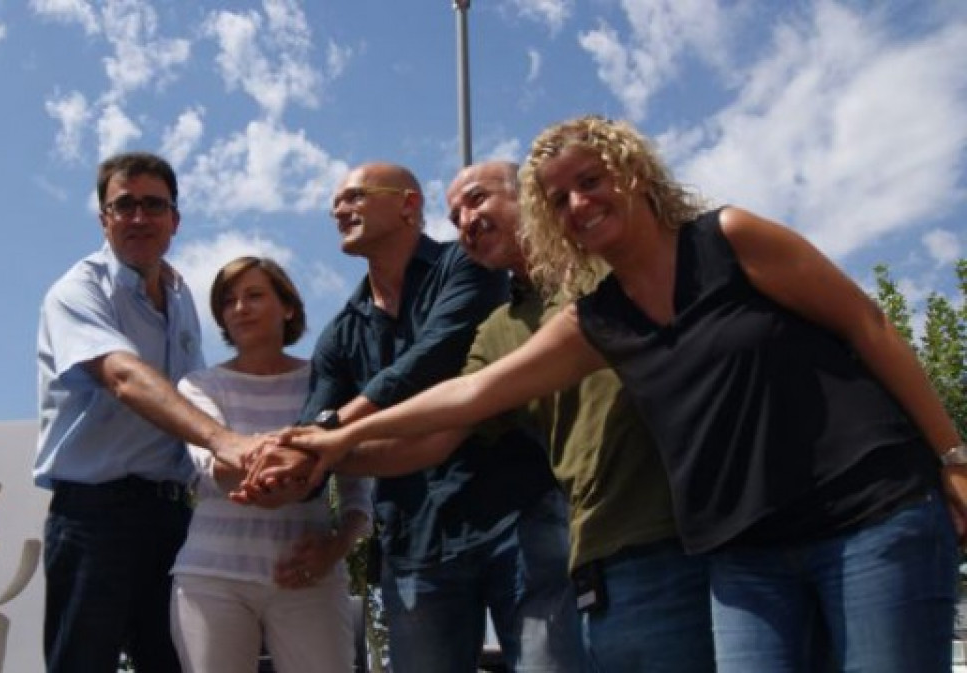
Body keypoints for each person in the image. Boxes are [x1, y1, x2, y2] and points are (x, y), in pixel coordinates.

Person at [283, 117, 965, 672]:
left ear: (635, 172)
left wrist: (953, 457)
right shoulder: (595, 318)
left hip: (866, 512)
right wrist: (337, 442)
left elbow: (866, 324)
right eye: (559, 199)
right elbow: (469, 395)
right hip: (740, 550)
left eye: (590, 182)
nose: (578, 204)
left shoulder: (724, 240)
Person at [322, 159, 710, 672]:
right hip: (602, 548)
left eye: (477, 199)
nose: (466, 221)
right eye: (455, 215)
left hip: (687, 528)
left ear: (530, 196)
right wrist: (325, 451)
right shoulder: (498, 330)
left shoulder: (609, 264)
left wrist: (336, 433)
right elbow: (448, 419)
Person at [241, 161, 518, 672]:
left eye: (355, 196)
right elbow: (314, 426)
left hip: (512, 518)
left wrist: (325, 437)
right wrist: (284, 474)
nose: (339, 210)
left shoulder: (469, 265)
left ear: (408, 204)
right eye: (335, 203)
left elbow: (431, 359)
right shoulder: (339, 335)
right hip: (415, 542)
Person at [35, 151, 263, 673]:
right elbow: (123, 376)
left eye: (154, 205)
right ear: (104, 219)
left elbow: (196, 394)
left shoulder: (181, 299)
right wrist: (224, 441)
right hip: (93, 517)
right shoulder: (77, 292)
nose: (139, 217)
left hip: (172, 518)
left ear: (174, 220)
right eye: (124, 205)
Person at [169, 256, 372, 673]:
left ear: (289, 307)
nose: (240, 308)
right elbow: (212, 466)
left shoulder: (327, 383)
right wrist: (294, 461)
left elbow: (358, 489)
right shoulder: (199, 385)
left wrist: (335, 549)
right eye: (228, 301)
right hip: (212, 578)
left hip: (310, 575)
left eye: (254, 295)